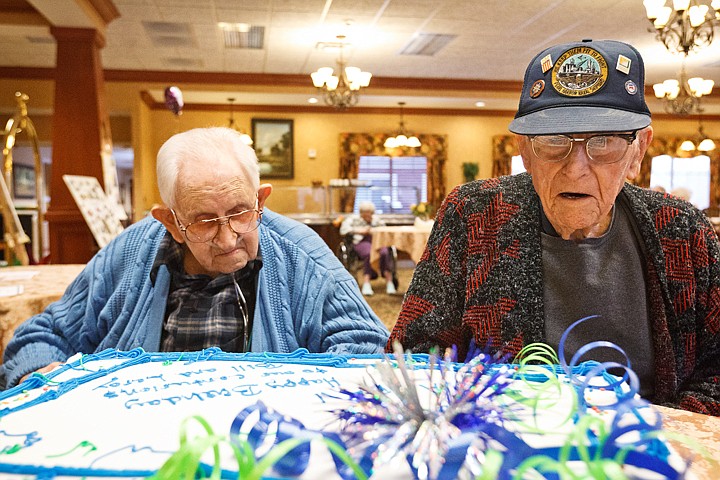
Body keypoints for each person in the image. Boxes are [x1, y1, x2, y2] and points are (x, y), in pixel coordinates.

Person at [387, 39, 720, 416]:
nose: (576, 167)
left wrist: (654, 434)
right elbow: (413, 362)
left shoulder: (682, 230)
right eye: (554, 140)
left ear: (637, 151)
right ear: (526, 152)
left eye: (604, 141)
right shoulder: (474, 215)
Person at [1, 127, 389, 389]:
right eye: (204, 221)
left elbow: (367, 348)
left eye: (240, 212)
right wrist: (40, 376)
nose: (228, 238)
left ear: (261, 199)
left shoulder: (303, 255)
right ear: (170, 222)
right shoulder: (131, 252)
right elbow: (44, 335)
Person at [339, 201, 396, 296]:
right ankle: (366, 282)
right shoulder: (352, 219)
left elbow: (384, 230)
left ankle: (389, 281)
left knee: (384, 253)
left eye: (368, 212)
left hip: (376, 241)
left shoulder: (376, 220)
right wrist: (359, 231)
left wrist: (373, 230)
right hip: (360, 242)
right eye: (364, 212)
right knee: (369, 253)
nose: (366, 214)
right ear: (360, 212)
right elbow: (343, 230)